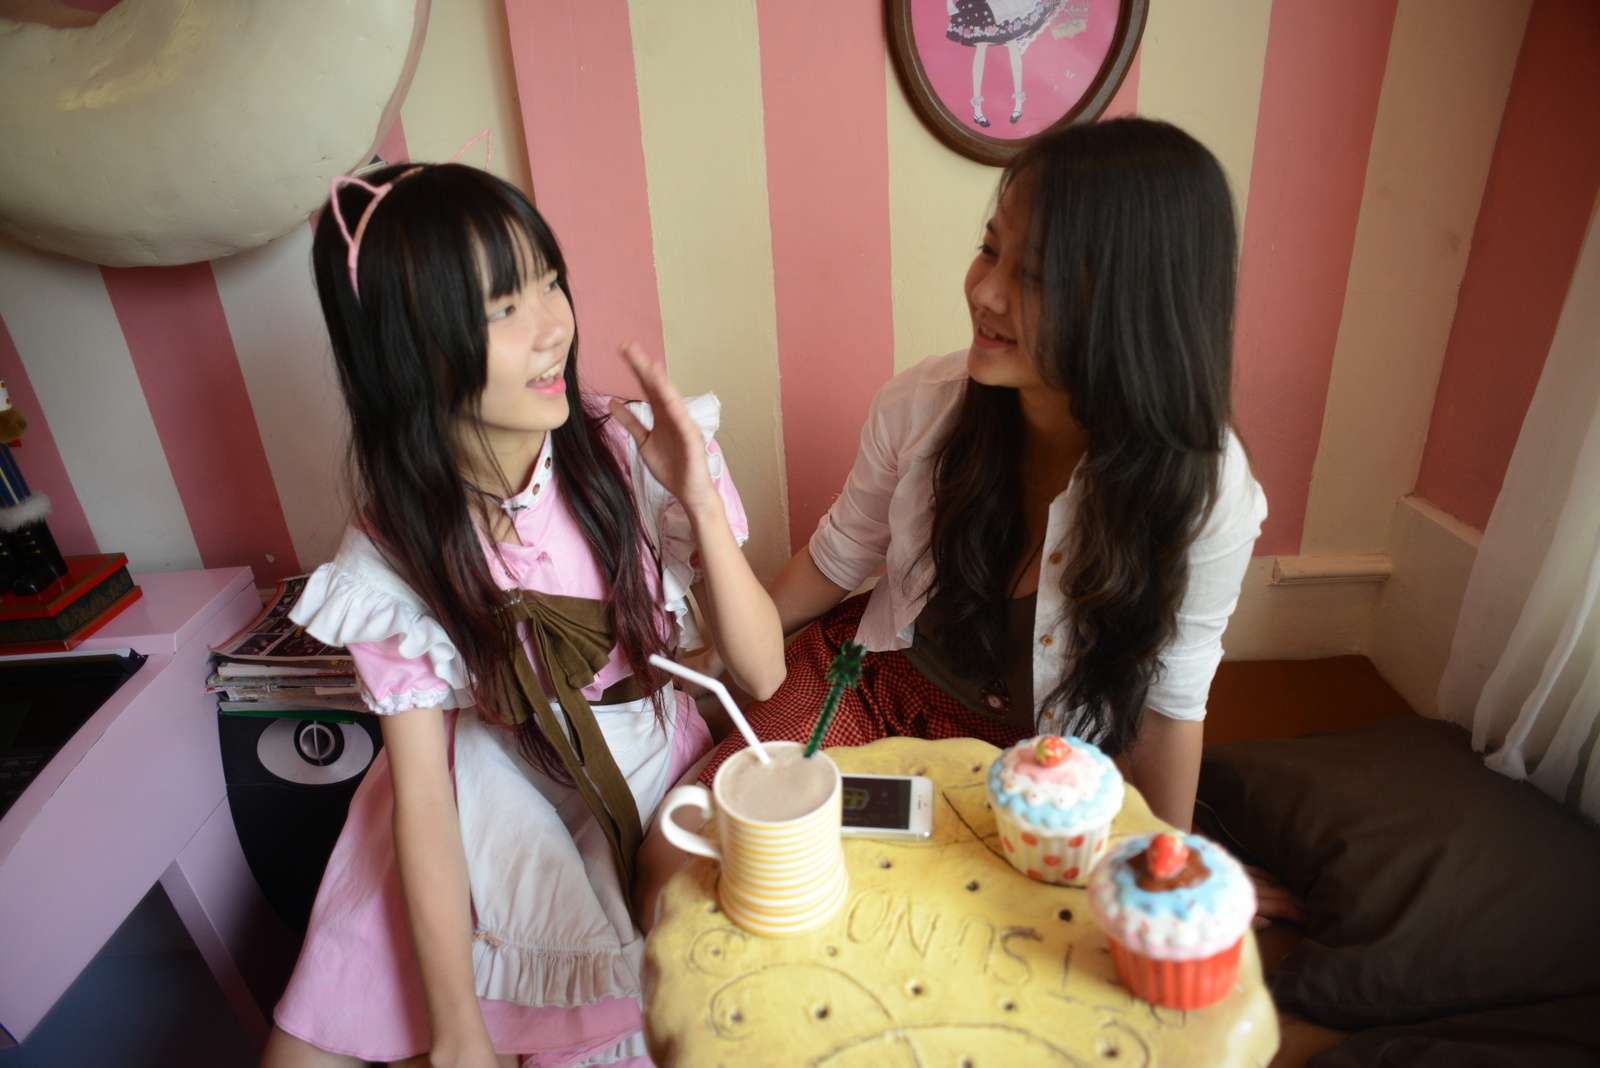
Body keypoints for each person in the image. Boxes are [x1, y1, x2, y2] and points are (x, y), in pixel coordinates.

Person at [259, 158, 784, 1068]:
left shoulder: (624, 451)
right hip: (477, 785)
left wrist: (697, 499)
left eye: (549, 281)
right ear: (409, 352)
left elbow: (765, 672)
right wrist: (456, 1028)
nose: (553, 327)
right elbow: (423, 798)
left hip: (634, 769)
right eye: (503, 307)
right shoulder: (391, 553)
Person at [686, 117, 1267, 836]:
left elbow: (1169, 705)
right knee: (704, 840)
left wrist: (1166, 864)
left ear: (1135, 305)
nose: (987, 293)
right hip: (876, 689)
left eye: (1036, 275)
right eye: (990, 250)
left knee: (944, 900)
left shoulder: (1205, 492)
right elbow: (838, 557)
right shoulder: (922, 405)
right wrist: (713, 660)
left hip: (1039, 762)